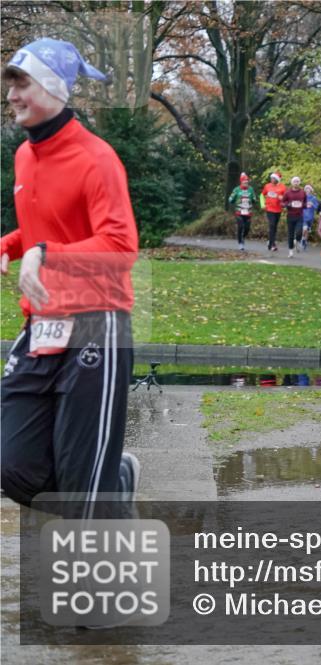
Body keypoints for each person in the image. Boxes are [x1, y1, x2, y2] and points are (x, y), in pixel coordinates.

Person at [0, 38, 140, 518]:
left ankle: (101, 503)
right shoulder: (25, 156)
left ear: (55, 88)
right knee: (11, 465)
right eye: (9, 84)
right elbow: (47, 225)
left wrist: (45, 254)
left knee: (83, 491)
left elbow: (121, 247)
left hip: (95, 325)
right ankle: (111, 483)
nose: (11, 94)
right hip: (42, 326)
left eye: (22, 82)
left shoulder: (96, 159)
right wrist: (11, 245)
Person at [228, 172, 255, 251]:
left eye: (247, 181)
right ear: (241, 182)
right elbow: (230, 199)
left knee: (247, 228)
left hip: (248, 212)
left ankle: (243, 237)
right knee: (241, 226)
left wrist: (253, 200)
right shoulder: (236, 189)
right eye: (244, 181)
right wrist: (233, 200)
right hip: (239, 212)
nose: (246, 183)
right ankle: (240, 243)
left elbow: (254, 198)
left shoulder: (251, 189)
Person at [281, 176, 307, 258]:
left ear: (299, 183)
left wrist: (305, 205)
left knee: (299, 231)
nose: (296, 183)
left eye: (297, 181)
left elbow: (305, 203)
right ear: (292, 183)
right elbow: (282, 203)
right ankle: (290, 251)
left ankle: (297, 240)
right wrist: (287, 205)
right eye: (294, 181)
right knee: (290, 234)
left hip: (299, 215)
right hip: (290, 215)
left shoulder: (303, 192)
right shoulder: (287, 193)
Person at [261, 171, 285, 252]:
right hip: (269, 209)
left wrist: (282, 200)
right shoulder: (267, 186)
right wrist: (262, 205)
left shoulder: (283, 187)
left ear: (277, 179)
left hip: (278, 210)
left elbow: (286, 199)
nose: (271, 179)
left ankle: (271, 241)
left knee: (274, 227)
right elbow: (261, 195)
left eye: (273, 178)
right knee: (272, 225)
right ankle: (271, 244)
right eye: (271, 178)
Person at [300, 184, 319, 252]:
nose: (307, 190)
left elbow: (317, 207)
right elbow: (300, 205)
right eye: (306, 189)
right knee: (304, 229)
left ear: (311, 190)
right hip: (303, 216)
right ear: (304, 190)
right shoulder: (302, 197)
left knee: (307, 230)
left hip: (310, 217)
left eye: (309, 189)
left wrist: (312, 204)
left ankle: (305, 241)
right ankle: (302, 239)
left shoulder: (314, 198)